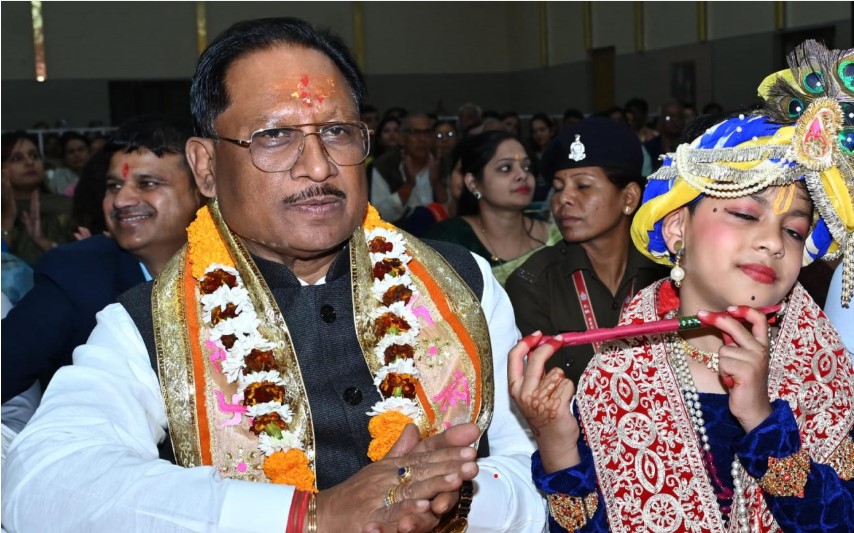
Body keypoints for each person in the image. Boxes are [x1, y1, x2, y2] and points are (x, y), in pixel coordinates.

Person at [3, 17, 547, 533]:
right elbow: (43, 485)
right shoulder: (146, 326)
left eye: (337, 131)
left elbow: (534, 464)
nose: (318, 166)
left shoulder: (460, 282)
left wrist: (451, 499)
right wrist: (312, 517)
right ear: (206, 167)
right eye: (274, 136)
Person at [508, 41, 854, 532]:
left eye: (795, 231)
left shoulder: (819, 369)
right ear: (677, 230)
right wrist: (557, 444)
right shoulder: (619, 377)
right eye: (744, 213)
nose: (773, 242)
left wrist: (763, 422)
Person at [0, 115, 203, 404]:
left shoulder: (243, 267)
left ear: (203, 187)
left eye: (147, 183)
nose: (121, 201)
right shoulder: (77, 277)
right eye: (114, 186)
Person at [504, 117, 668, 384]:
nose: (564, 198)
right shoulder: (533, 284)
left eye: (583, 186)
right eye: (558, 188)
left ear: (628, 197)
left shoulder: (666, 274)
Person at [426, 130, 560, 285]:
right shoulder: (448, 241)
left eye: (526, 167)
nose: (522, 175)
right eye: (505, 168)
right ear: (473, 183)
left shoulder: (557, 238)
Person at [1, 131, 73, 265]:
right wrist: (8, 218)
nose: (30, 162)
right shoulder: (4, 214)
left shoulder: (66, 205)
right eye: (17, 158)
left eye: (34, 156)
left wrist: (45, 243)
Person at [371, 113, 445, 225]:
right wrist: (409, 185)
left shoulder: (442, 162)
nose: (422, 139)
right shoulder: (384, 166)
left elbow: (453, 211)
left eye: (427, 133)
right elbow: (379, 214)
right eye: (415, 133)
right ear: (401, 138)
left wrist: (436, 182)